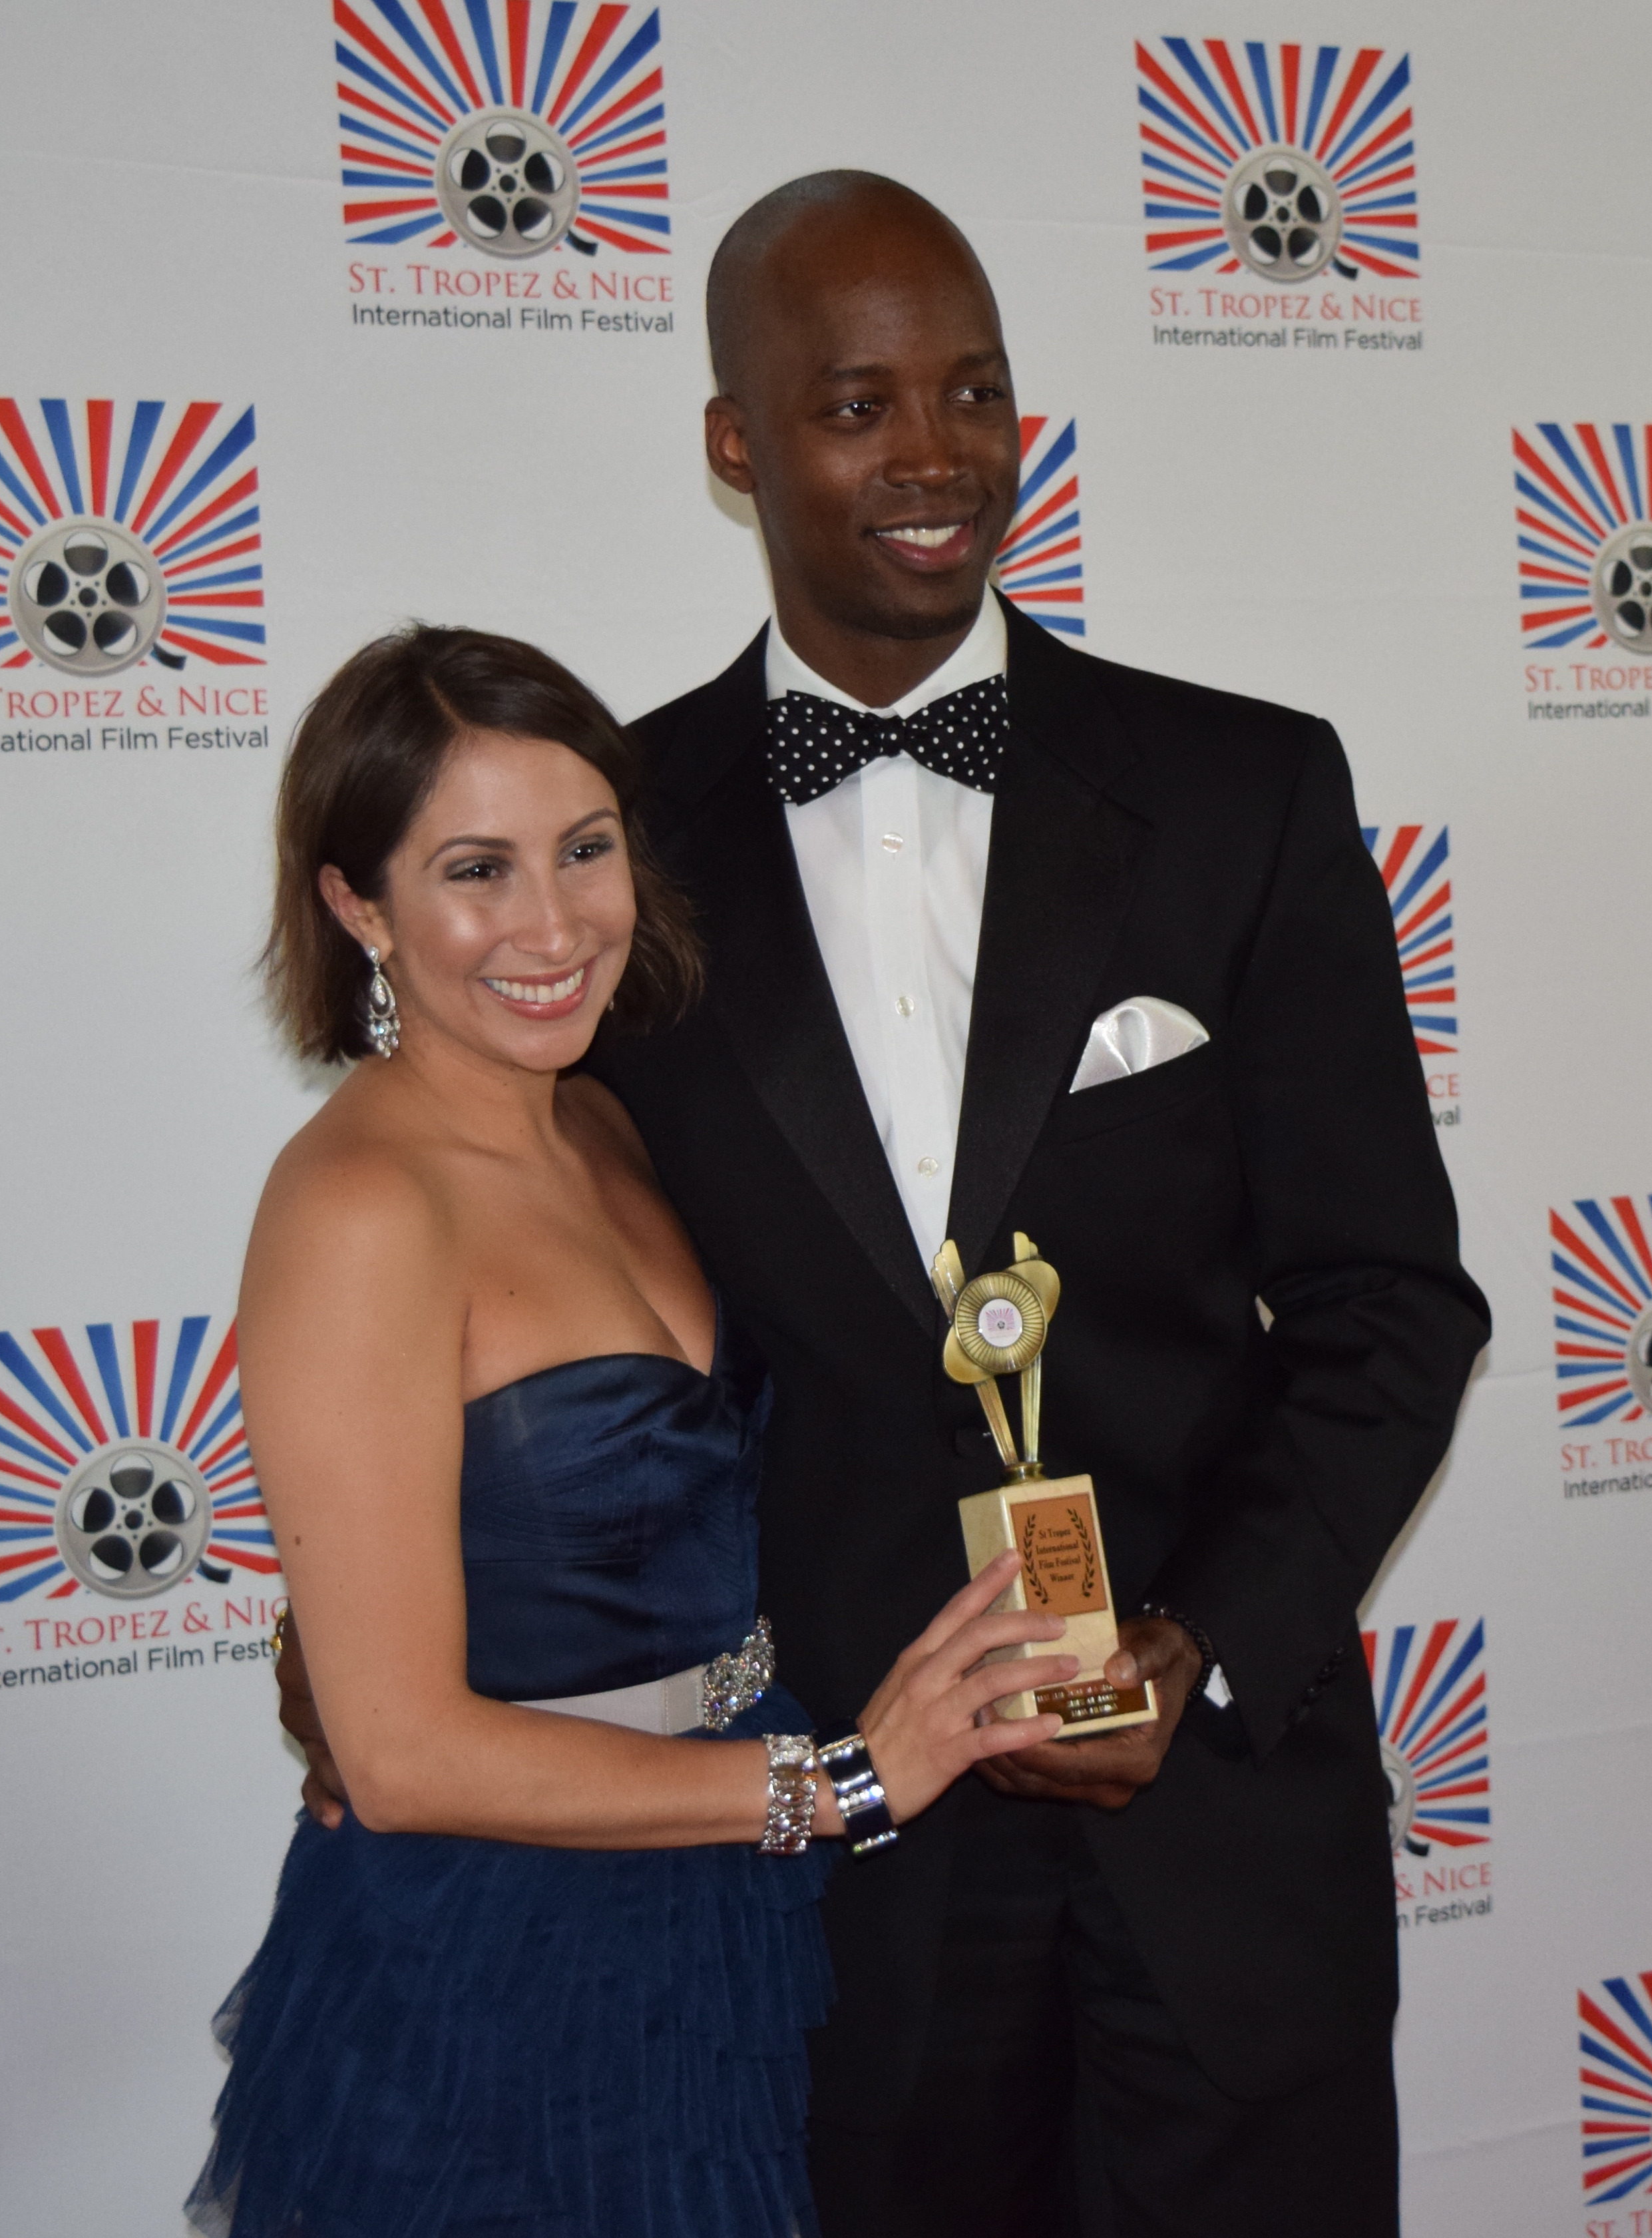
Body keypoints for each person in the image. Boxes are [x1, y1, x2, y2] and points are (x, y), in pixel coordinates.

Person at [286, 173, 1489, 2235]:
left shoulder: (1241, 789)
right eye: (854, 403)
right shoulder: (608, 851)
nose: (931, 456)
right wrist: (375, 1625)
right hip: (835, 1874)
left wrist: (1193, 1655)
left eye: (973, 395)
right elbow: (525, 1274)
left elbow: (1390, 1301)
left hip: (1216, 1826)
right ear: (733, 444)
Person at [188, 624, 1086, 2238]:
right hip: (497, 1946)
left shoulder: (605, 1116)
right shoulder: (360, 1205)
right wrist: (842, 1785)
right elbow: (398, 1758)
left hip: (714, 1903)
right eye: (476, 869)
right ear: (355, 905)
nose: (551, 925)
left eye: (585, 848)